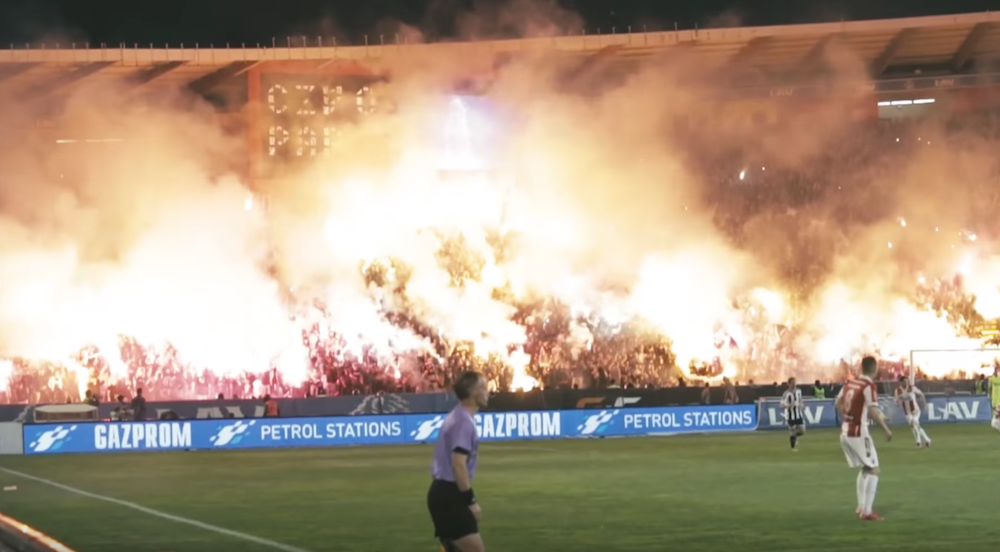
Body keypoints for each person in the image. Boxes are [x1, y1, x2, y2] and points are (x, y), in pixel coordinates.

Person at [427, 371, 489, 552]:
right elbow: (458, 464)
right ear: (472, 392)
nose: (487, 392)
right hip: (450, 495)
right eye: (483, 388)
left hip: (444, 493)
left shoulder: (458, 416)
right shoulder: (463, 422)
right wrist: (471, 501)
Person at [835, 356, 892, 521]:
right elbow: (872, 411)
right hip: (859, 433)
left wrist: (850, 417)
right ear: (874, 369)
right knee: (874, 470)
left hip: (845, 432)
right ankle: (867, 511)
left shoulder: (849, 383)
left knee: (865, 468)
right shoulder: (869, 386)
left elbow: (838, 403)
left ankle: (861, 506)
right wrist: (885, 429)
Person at [894, 376, 931, 448]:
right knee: (914, 426)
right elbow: (896, 401)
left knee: (914, 422)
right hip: (907, 412)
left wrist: (925, 403)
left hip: (915, 410)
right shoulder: (897, 391)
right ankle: (927, 440)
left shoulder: (912, 388)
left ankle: (918, 442)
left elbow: (921, 394)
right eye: (904, 381)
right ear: (901, 382)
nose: (906, 383)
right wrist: (898, 403)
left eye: (907, 381)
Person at [781, 377, 805, 451]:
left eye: (795, 383)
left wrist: (802, 405)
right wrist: (789, 405)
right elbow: (782, 405)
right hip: (790, 415)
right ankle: (793, 447)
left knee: (802, 431)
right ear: (789, 384)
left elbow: (800, 400)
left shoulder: (799, 391)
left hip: (798, 414)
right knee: (792, 430)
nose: (794, 385)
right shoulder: (786, 394)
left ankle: (794, 437)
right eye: (792, 383)